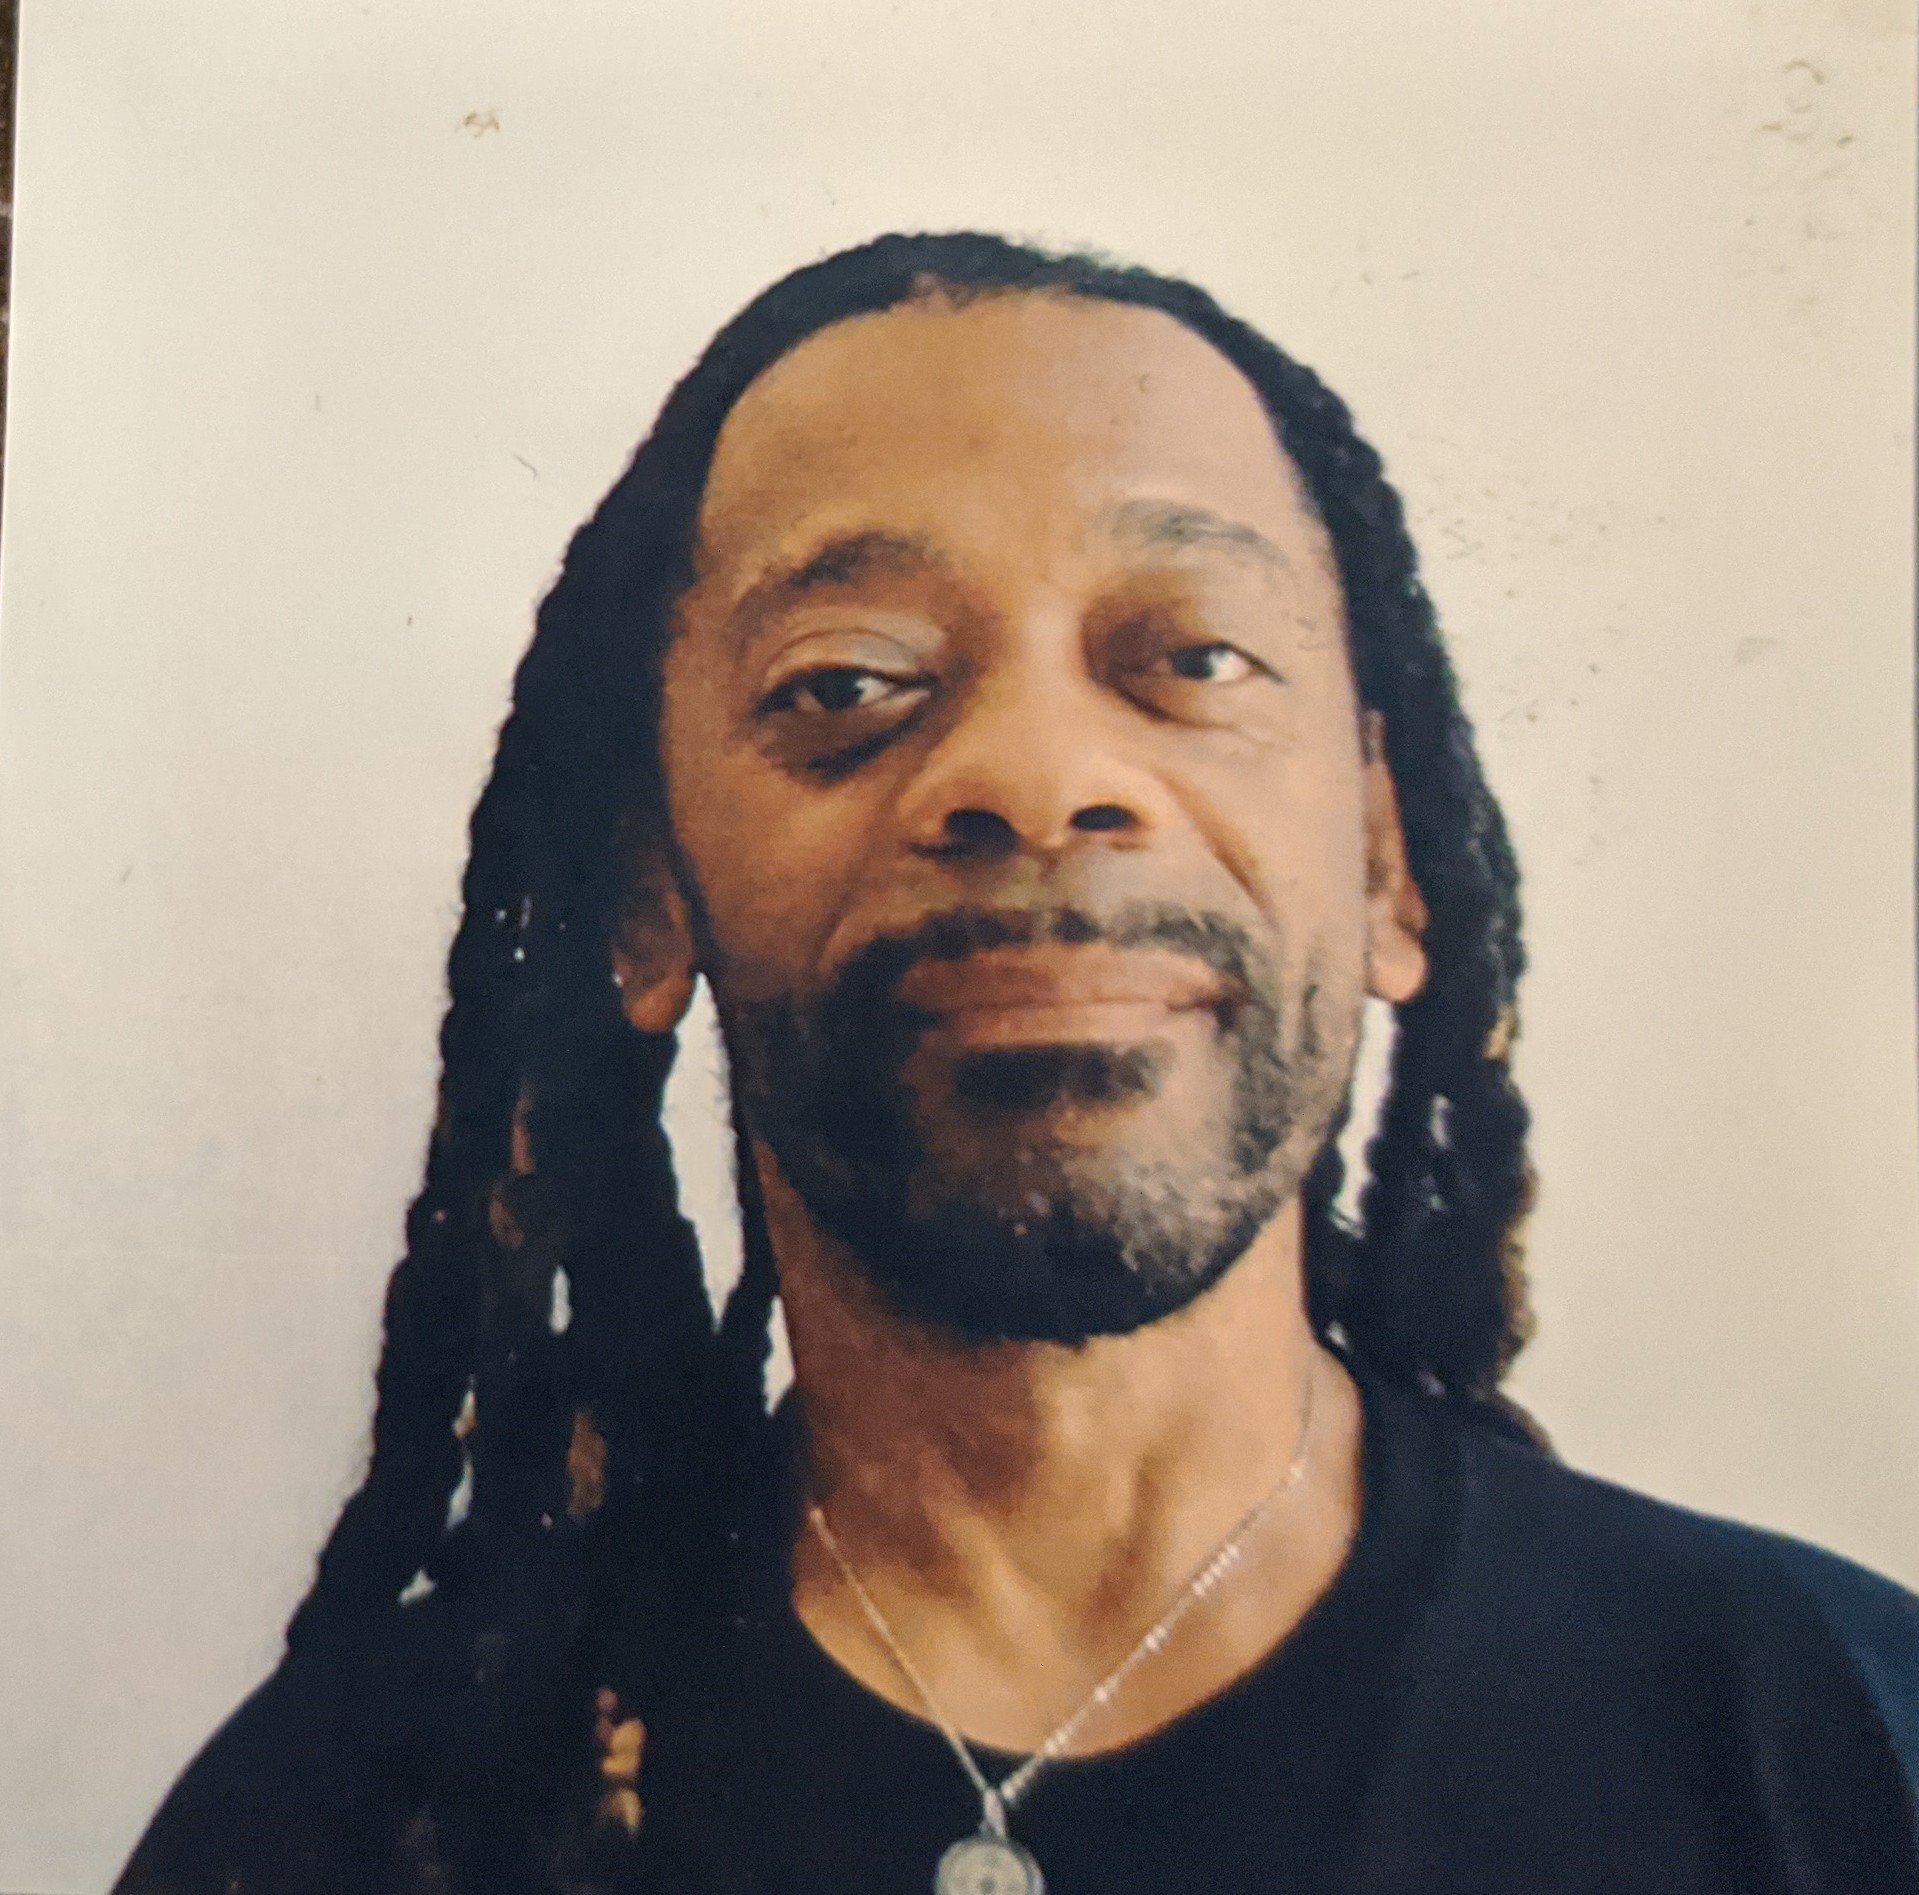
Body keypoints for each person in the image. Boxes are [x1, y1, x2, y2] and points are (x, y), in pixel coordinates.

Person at [118, 231, 1919, 1895]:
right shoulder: (345, 1825)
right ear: (645, 900)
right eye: (846, 684)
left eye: (1192, 656)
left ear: (1390, 867)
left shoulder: (1839, 1749)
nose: (1042, 776)